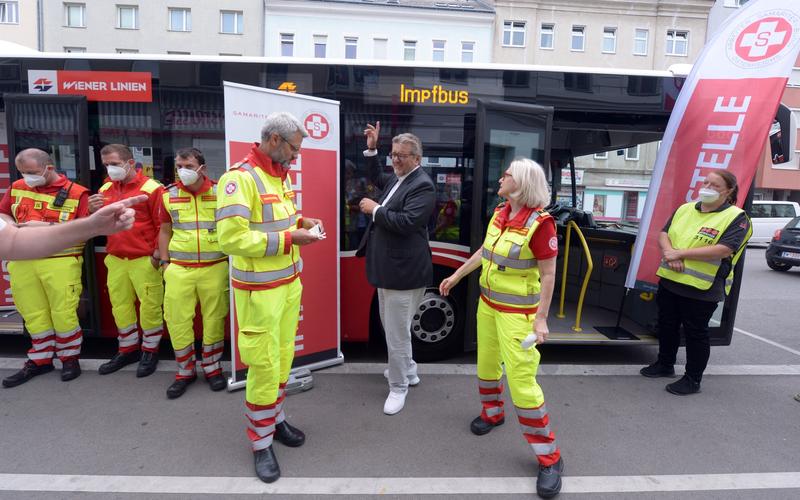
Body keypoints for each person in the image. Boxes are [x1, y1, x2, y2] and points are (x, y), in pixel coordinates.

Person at [439, 158, 563, 499]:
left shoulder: (542, 225)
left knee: (522, 382)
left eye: (507, 174)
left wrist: (540, 319)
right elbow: (486, 252)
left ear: (520, 183)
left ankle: (549, 457)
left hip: (517, 315)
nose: (501, 177)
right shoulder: (501, 212)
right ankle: (492, 413)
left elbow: (549, 274)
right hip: (488, 306)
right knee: (487, 366)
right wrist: (458, 274)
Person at [216, 112, 324, 483]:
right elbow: (230, 239)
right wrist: (292, 239)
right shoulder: (239, 178)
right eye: (294, 148)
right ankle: (260, 444)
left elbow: (276, 222)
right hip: (259, 293)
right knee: (263, 368)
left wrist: (302, 223)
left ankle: (275, 421)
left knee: (281, 362)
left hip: (287, 287)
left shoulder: (280, 176)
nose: (297, 157)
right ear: (275, 140)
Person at [640, 170, 751, 395]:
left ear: (728, 191)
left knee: (695, 333)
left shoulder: (737, 218)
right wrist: (670, 252)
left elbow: (724, 249)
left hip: (703, 288)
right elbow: (664, 233)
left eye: (715, 185)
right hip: (671, 280)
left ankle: (693, 379)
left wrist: (680, 254)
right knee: (667, 325)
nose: (707, 187)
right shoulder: (685, 208)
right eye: (706, 182)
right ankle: (665, 364)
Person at [356, 121, 436, 415]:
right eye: (393, 154)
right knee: (394, 328)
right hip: (389, 271)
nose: (396, 160)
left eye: (402, 155)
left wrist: (374, 210)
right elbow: (378, 177)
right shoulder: (400, 178)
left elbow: (405, 223)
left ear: (417, 158)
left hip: (404, 274)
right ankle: (410, 371)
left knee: (396, 334)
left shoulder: (423, 185)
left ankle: (398, 387)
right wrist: (373, 149)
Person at [0, 149, 90, 387]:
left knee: (64, 313)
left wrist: (43, 227)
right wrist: (12, 226)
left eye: (31, 172)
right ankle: (40, 360)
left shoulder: (77, 193)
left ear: (49, 168)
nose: (27, 177)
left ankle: (70, 359)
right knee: (32, 313)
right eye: (23, 172)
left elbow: (83, 229)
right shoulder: (18, 187)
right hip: (22, 261)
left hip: (59, 261)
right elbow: (3, 213)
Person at [89, 144, 165, 378]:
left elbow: (163, 225)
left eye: (114, 163)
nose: (110, 169)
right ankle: (127, 349)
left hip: (144, 259)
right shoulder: (106, 187)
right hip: (116, 258)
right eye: (106, 165)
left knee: (150, 307)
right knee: (120, 306)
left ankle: (150, 350)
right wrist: (91, 211)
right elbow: (100, 224)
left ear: (130, 163)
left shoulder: (152, 189)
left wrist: (156, 255)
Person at [158, 148, 229, 399]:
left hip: (215, 267)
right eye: (179, 166)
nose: (182, 171)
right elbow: (165, 230)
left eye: (188, 166)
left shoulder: (222, 191)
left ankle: (212, 367)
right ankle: (185, 370)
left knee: (214, 319)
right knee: (177, 320)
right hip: (179, 268)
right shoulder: (168, 194)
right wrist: (165, 263)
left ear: (203, 168)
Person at [0, 195, 145, 260]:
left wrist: (92, 226)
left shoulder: (76, 192)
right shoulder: (16, 187)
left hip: (63, 261)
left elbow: (12, 241)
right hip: (115, 258)